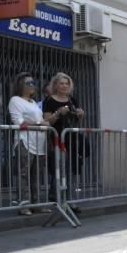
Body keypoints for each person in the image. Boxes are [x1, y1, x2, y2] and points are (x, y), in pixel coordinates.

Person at [8, 72, 54, 215]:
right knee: (24, 175)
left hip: (39, 144)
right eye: (29, 83)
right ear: (20, 85)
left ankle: (37, 204)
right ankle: (24, 205)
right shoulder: (15, 100)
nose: (32, 85)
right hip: (25, 142)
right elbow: (19, 122)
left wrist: (42, 123)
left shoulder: (34, 102)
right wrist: (40, 123)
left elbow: (41, 122)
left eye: (33, 82)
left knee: (37, 176)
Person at [43, 73, 86, 201]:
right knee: (59, 168)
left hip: (71, 139)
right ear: (55, 85)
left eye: (67, 83)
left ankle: (68, 199)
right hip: (56, 139)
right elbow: (47, 121)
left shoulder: (72, 99)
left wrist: (80, 114)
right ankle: (58, 198)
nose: (64, 86)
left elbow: (76, 120)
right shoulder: (50, 100)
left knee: (69, 169)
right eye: (61, 83)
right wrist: (58, 113)